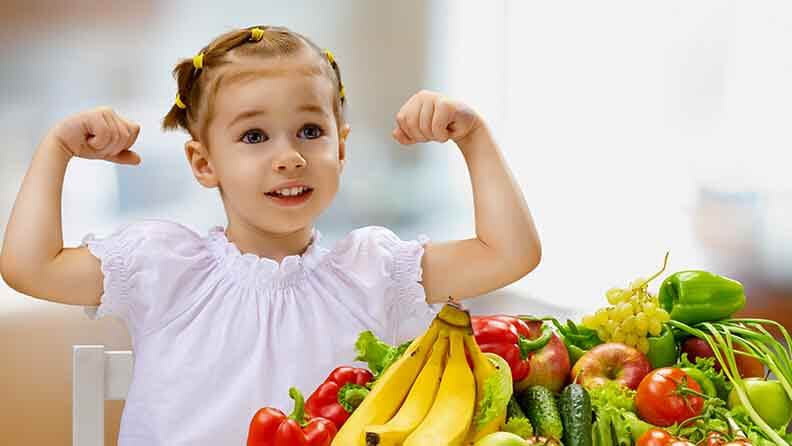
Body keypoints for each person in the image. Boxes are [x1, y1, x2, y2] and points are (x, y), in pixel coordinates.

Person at [0, 25, 541, 445]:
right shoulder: (163, 264)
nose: (289, 157)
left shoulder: (374, 271)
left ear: (342, 147)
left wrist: (474, 137)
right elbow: (30, 267)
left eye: (311, 131)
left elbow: (510, 254)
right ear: (203, 162)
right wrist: (57, 149)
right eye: (254, 135)